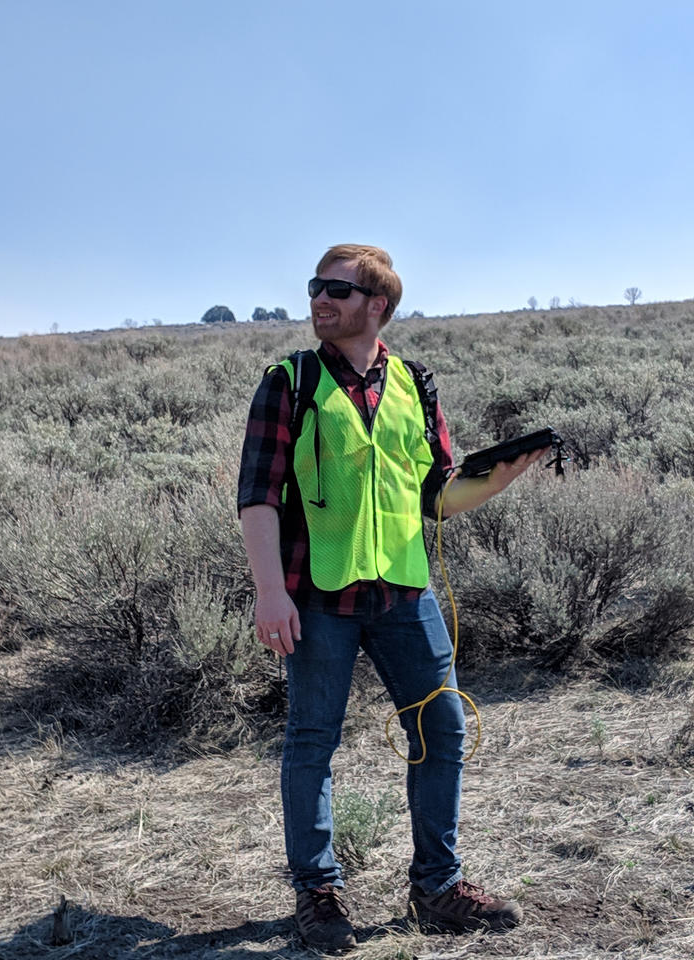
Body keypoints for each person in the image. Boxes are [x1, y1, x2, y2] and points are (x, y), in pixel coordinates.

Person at [238, 244, 542, 950]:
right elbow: (257, 495)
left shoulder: (413, 382)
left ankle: (438, 887)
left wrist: (498, 477)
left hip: (406, 593)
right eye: (315, 287)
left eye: (336, 290)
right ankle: (317, 893)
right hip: (316, 597)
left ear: (377, 305)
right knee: (311, 743)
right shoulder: (289, 381)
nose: (319, 299)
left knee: (443, 731)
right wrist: (269, 592)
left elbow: (436, 493)